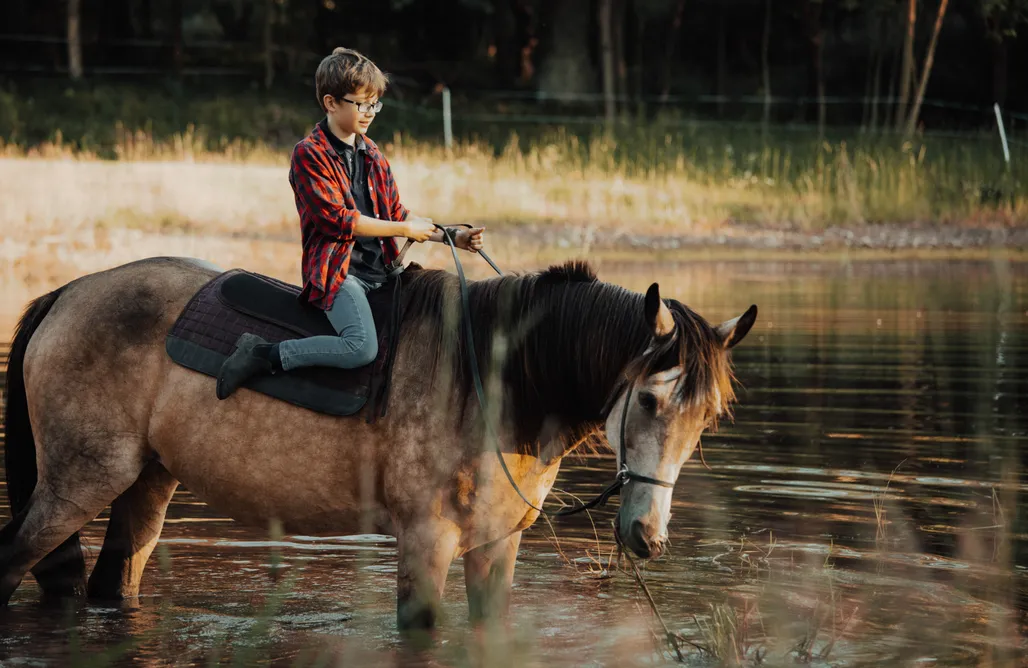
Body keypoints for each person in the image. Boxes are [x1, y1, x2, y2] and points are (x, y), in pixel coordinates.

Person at [216, 47, 484, 400]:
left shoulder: (373, 155)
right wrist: (404, 230)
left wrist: (452, 236)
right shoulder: (309, 154)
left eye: (375, 104)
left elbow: (396, 213)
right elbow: (339, 222)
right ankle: (266, 354)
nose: (370, 113)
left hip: (383, 272)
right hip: (339, 275)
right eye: (361, 104)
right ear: (330, 102)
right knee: (361, 347)